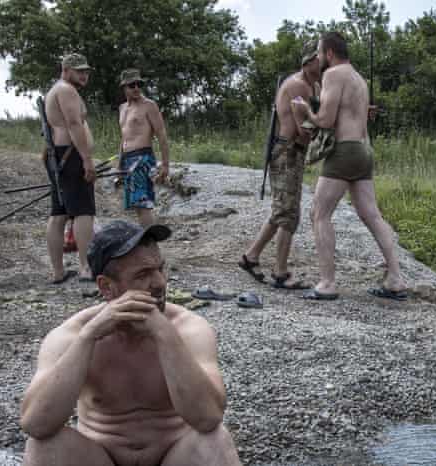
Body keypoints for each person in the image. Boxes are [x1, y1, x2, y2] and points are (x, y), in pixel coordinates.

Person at [20, 220, 241, 466]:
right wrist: (88, 338)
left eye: (160, 269)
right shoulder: (71, 335)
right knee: (45, 446)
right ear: (106, 286)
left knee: (215, 442)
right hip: (102, 457)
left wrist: (164, 334)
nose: (159, 282)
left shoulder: (188, 328)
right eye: (143, 274)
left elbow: (208, 418)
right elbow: (35, 424)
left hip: (173, 456)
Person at [292, 31, 407, 301]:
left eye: (320, 52)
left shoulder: (334, 74)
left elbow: (326, 119)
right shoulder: (359, 78)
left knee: (319, 213)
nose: (319, 57)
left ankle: (327, 283)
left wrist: (305, 110)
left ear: (329, 53)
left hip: (344, 151)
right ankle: (395, 279)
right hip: (364, 150)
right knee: (372, 215)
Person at [238, 41, 320, 289]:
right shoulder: (297, 86)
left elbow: (321, 116)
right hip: (287, 152)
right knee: (287, 214)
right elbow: (304, 131)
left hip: (293, 152)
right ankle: (280, 272)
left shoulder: (314, 85)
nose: (324, 62)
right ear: (308, 62)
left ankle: (250, 257)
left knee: (282, 210)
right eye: (319, 58)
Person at [44, 53, 97, 283]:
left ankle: (58, 272)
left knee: (60, 213)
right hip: (69, 155)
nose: (84, 75)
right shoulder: (66, 89)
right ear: (65, 70)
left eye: (86, 70)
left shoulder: (57, 89)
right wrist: (86, 158)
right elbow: (74, 124)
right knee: (83, 211)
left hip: (59, 156)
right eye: (79, 71)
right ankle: (86, 268)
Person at [118, 69, 170, 226]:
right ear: (124, 87)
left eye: (138, 84)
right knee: (136, 205)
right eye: (131, 85)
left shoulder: (149, 105)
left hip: (142, 158)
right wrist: (120, 162)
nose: (136, 88)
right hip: (127, 160)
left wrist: (165, 164)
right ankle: (145, 239)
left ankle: (149, 243)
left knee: (143, 203)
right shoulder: (122, 108)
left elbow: (161, 134)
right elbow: (124, 137)